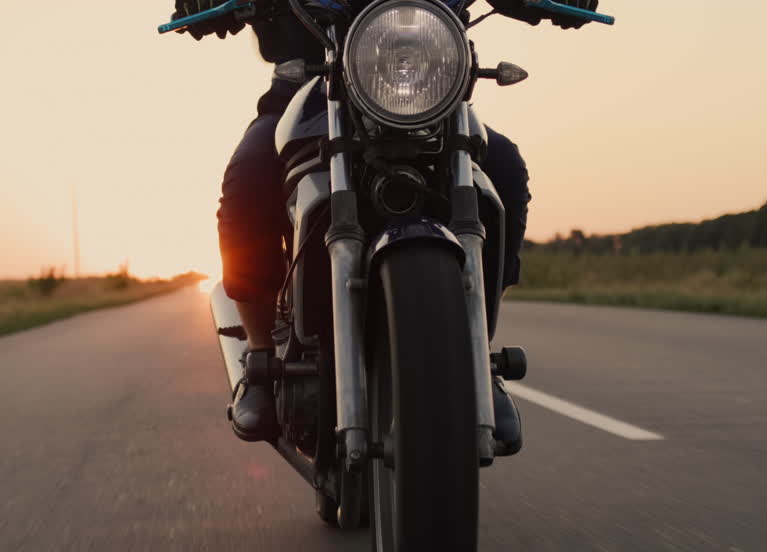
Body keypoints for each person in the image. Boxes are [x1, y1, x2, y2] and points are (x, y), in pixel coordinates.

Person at [173, 0, 599, 448]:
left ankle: (476, 356)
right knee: (248, 178)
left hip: (428, 98)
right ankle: (260, 362)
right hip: (310, 93)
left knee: (505, 167)